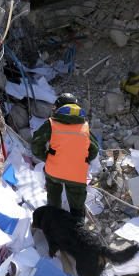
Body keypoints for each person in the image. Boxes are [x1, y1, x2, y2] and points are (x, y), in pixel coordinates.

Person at [30, 93, 99, 221]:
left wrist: (48, 158)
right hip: (77, 173)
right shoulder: (84, 126)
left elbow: (36, 144)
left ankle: (54, 221)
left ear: (59, 107)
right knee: (77, 207)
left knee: (54, 197)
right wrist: (83, 160)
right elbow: (94, 148)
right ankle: (77, 229)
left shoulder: (51, 123)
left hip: (54, 171)